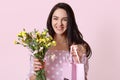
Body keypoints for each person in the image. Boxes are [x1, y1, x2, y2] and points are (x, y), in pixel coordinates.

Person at [29, 2, 92, 80]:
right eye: (55, 18)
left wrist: (77, 62)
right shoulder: (41, 47)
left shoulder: (77, 49)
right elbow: (32, 77)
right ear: (50, 19)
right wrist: (38, 72)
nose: (59, 23)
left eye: (65, 20)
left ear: (70, 22)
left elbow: (82, 78)